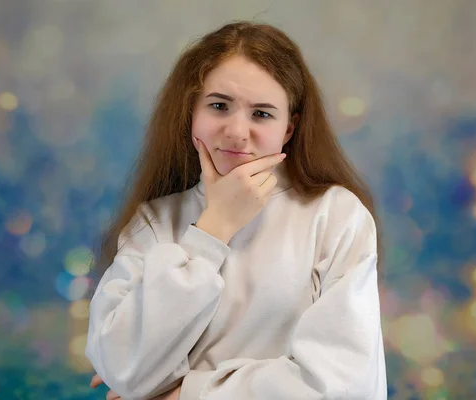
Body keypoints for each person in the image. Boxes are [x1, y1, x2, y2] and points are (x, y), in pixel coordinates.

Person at [85, 20, 387, 400]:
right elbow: (123, 366)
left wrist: (183, 394)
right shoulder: (154, 222)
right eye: (218, 106)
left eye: (262, 114)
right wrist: (213, 229)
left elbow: (343, 385)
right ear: (191, 113)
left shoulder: (337, 216)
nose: (237, 132)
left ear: (289, 129)